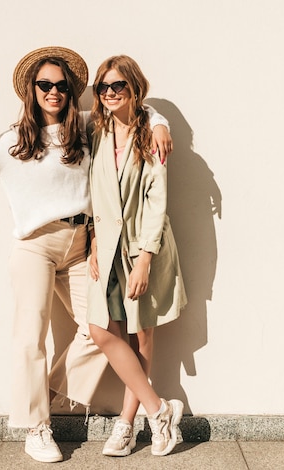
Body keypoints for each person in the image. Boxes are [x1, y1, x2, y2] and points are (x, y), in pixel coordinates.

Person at [0, 46, 173, 463]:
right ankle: (37, 427)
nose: (53, 91)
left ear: (71, 92)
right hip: (35, 246)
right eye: (44, 85)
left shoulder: (85, 128)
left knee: (103, 330)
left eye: (61, 86)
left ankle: (39, 394)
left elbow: (132, 114)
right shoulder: (13, 139)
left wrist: (159, 123)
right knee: (29, 336)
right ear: (31, 91)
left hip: (83, 246)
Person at [87, 55, 187, 458]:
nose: (110, 94)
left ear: (134, 89)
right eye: (104, 87)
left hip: (142, 246)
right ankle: (159, 410)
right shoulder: (95, 131)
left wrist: (145, 257)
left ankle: (127, 424)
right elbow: (94, 193)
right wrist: (93, 236)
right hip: (106, 248)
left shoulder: (152, 136)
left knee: (142, 332)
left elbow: (157, 199)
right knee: (103, 331)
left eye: (119, 86)